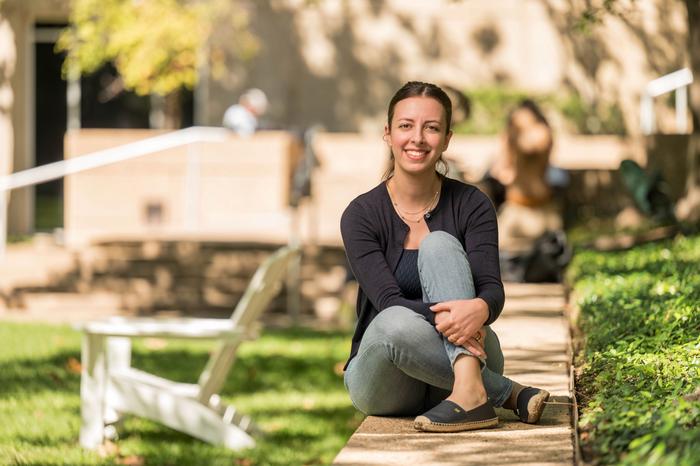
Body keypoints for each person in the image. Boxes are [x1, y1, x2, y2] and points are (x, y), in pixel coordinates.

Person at [340, 81, 549, 432]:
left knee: (439, 244)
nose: (417, 138)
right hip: (386, 375)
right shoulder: (361, 214)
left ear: (447, 139)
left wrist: (482, 308)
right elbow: (389, 301)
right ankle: (506, 393)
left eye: (431, 128)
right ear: (388, 134)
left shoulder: (473, 204)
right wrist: (460, 318)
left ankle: (468, 393)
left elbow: (492, 290)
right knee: (392, 320)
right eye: (406, 126)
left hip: (461, 363)